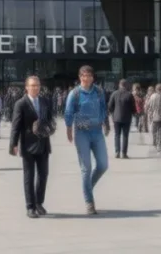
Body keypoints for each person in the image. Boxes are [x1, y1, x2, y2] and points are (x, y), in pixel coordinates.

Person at [64, 66, 110, 215]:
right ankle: (89, 201)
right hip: (82, 133)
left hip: (97, 131)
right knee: (86, 168)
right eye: (84, 75)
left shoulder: (99, 92)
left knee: (103, 165)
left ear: (93, 77)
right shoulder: (75, 93)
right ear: (80, 77)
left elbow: (103, 108)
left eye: (89, 75)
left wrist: (106, 123)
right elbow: (68, 112)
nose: (87, 78)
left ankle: (87, 187)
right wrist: (69, 129)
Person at [10, 76, 54, 218]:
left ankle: (39, 202)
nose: (35, 88)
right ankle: (30, 206)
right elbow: (16, 125)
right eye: (32, 85)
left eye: (37, 85)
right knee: (29, 176)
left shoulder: (45, 101)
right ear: (27, 87)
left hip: (43, 143)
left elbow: (49, 119)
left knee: (43, 175)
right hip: (28, 145)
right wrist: (13, 144)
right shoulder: (21, 104)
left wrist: (51, 127)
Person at [107, 79, 135, 159]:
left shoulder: (114, 94)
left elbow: (109, 106)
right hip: (127, 118)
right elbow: (133, 107)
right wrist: (133, 112)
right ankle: (124, 153)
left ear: (119, 85)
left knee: (117, 135)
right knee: (125, 136)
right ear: (126, 85)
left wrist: (113, 113)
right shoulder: (130, 95)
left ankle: (117, 152)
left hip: (116, 118)